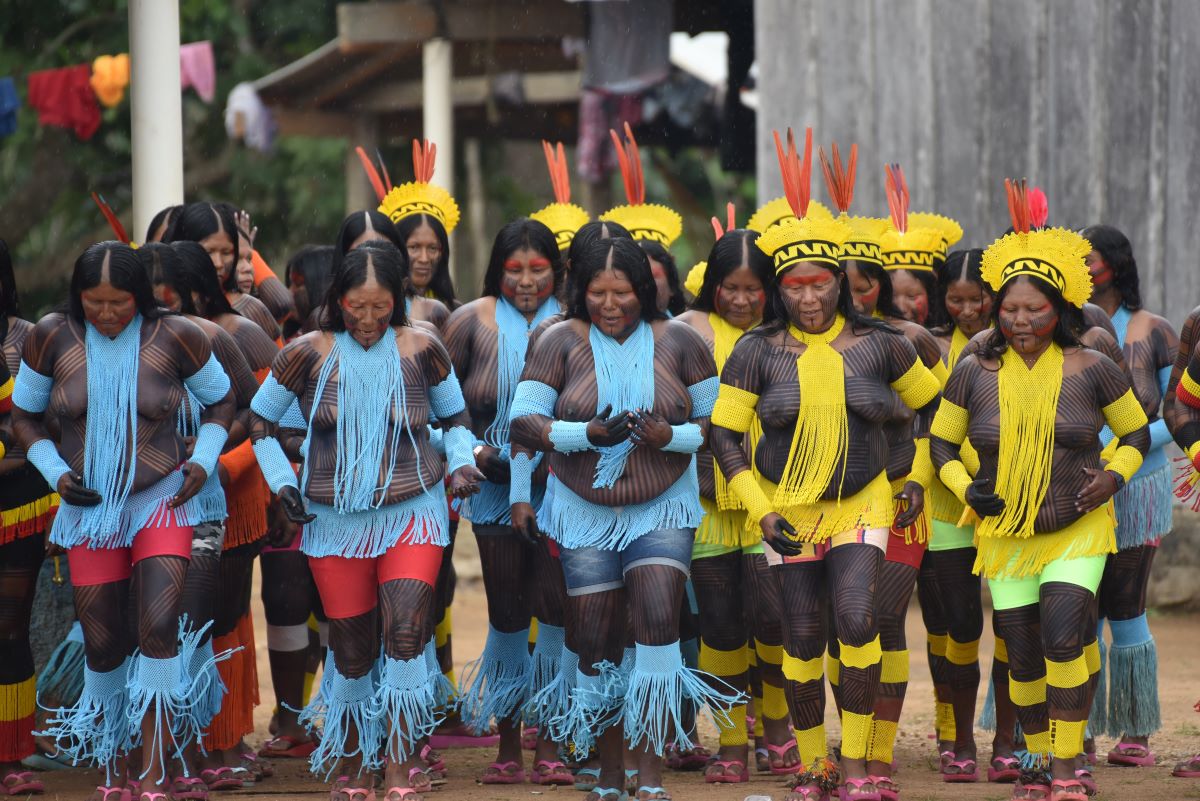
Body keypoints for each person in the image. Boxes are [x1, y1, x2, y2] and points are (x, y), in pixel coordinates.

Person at [709, 131, 942, 801]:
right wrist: (764, 508)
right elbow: (724, 435)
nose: (808, 298)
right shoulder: (756, 351)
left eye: (819, 285)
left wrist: (917, 480)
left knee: (858, 619)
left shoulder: (881, 344)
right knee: (802, 632)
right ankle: (816, 765)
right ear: (780, 290)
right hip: (788, 508)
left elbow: (939, 415)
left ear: (841, 283)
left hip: (863, 502)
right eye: (794, 286)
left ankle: (865, 760)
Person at [930, 182, 1149, 801]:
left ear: (1062, 309)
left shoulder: (1094, 366)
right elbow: (943, 447)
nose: (1021, 321)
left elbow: (1133, 431)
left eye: (1036, 310)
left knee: (1061, 635)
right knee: (1022, 654)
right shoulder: (974, 369)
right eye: (1010, 310)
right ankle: (1034, 756)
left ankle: (1064, 768)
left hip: (1078, 524)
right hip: (1004, 533)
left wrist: (1113, 476)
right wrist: (964, 490)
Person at [249, 244, 483, 801]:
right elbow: (260, 424)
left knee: (405, 634)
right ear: (338, 300)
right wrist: (284, 482)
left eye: (382, 307)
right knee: (351, 649)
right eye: (358, 307)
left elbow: (455, 420)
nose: (370, 319)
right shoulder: (305, 353)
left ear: (399, 300)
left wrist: (463, 463)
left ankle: (399, 765)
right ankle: (356, 760)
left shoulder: (424, 347)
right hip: (334, 518)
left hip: (414, 510)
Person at [510, 235, 735, 801]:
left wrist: (670, 436)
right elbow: (523, 422)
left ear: (647, 289)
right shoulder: (557, 340)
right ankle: (611, 770)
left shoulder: (682, 340)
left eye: (624, 292)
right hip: (585, 510)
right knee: (595, 638)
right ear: (579, 291)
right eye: (597, 293)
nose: (611, 305)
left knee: (658, 624)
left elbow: (713, 425)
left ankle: (651, 771)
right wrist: (581, 434)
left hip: (663, 505)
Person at [13, 241, 235, 801]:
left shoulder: (178, 334)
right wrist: (54, 472)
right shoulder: (51, 336)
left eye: (120, 303)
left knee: (159, 629)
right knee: (103, 642)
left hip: (161, 496)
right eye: (95, 303)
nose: (108, 314)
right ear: (77, 297)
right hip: (88, 507)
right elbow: (24, 417)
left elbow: (223, 404)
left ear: (142, 297)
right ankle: (115, 770)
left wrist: (204, 460)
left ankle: (158, 771)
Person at [823, 154, 952, 793]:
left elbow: (938, 419)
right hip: (825, 503)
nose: (854, 290)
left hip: (903, 498)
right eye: (842, 279)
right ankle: (850, 745)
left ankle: (876, 753)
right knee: (838, 625)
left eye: (865, 280)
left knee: (881, 619)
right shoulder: (797, 341)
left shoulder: (907, 339)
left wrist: (918, 482)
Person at [443, 217, 571, 785]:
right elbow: (439, 406)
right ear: (497, 269)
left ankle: (555, 736)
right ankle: (510, 742)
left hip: (564, 490)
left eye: (538, 271)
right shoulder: (468, 321)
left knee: (558, 611)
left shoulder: (573, 324)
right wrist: (473, 451)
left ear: (557, 271)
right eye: (514, 270)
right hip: (493, 490)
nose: (525, 282)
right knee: (507, 614)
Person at [139, 242, 263, 795]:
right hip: (127, 510)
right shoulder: (109, 345)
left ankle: (187, 749)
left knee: (190, 630)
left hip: (200, 505)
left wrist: (208, 447)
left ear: (193, 293)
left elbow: (254, 408)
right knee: (146, 633)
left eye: (167, 297)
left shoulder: (213, 337)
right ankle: (146, 756)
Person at [676, 224, 798, 782]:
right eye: (731, 288)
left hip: (774, 500)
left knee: (772, 619)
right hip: (704, 504)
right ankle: (730, 743)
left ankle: (776, 726)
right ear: (712, 286)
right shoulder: (683, 332)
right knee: (721, 628)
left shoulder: (791, 335)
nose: (743, 300)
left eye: (754, 289)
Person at [1082, 224, 1177, 767]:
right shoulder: (1064, 328)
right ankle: (1081, 726)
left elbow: (1178, 411)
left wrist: (1125, 447)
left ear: (1116, 264)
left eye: (1090, 260)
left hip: (1138, 486)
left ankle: (1136, 730)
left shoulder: (1154, 329)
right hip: (1077, 484)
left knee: (1125, 603)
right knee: (1080, 607)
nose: (1084, 271)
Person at [0, 239, 55, 796]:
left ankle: (12, 756)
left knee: (8, 629)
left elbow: (45, 423)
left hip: (18, 504)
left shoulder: (28, 337)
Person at [360, 141, 460, 308]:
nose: (424, 258)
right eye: (414, 247)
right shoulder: (378, 310)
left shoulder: (456, 312)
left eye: (433, 248)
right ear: (396, 249)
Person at [164, 202, 280, 341]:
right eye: (208, 251)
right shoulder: (161, 302)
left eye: (227, 252)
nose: (218, 263)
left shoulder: (247, 308)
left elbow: (282, 303)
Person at [330, 211, 449, 329]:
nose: (371, 260)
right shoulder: (323, 319)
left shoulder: (431, 313)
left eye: (383, 250)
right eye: (361, 251)